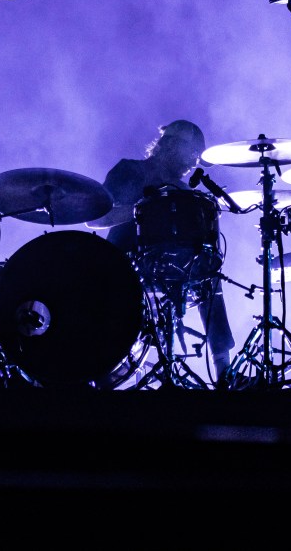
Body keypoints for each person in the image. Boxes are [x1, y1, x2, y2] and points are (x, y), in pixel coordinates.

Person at [95, 119, 235, 387]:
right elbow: (97, 218)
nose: (192, 165)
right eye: (190, 155)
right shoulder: (129, 171)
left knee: (209, 275)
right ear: (169, 147)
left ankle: (225, 373)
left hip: (176, 265)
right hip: (126, 262)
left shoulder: (183, 191)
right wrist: (142, 209)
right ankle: (102, 370)